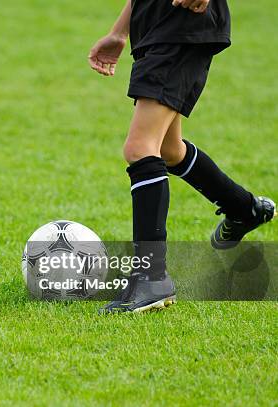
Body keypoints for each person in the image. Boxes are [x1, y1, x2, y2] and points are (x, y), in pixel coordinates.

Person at [88, 0, 275, 313]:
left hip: (181, 22)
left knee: (140, 148)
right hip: (154, 27)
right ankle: (245, 209)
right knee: (168, 149)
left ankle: (152, 276)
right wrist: (120, 32)